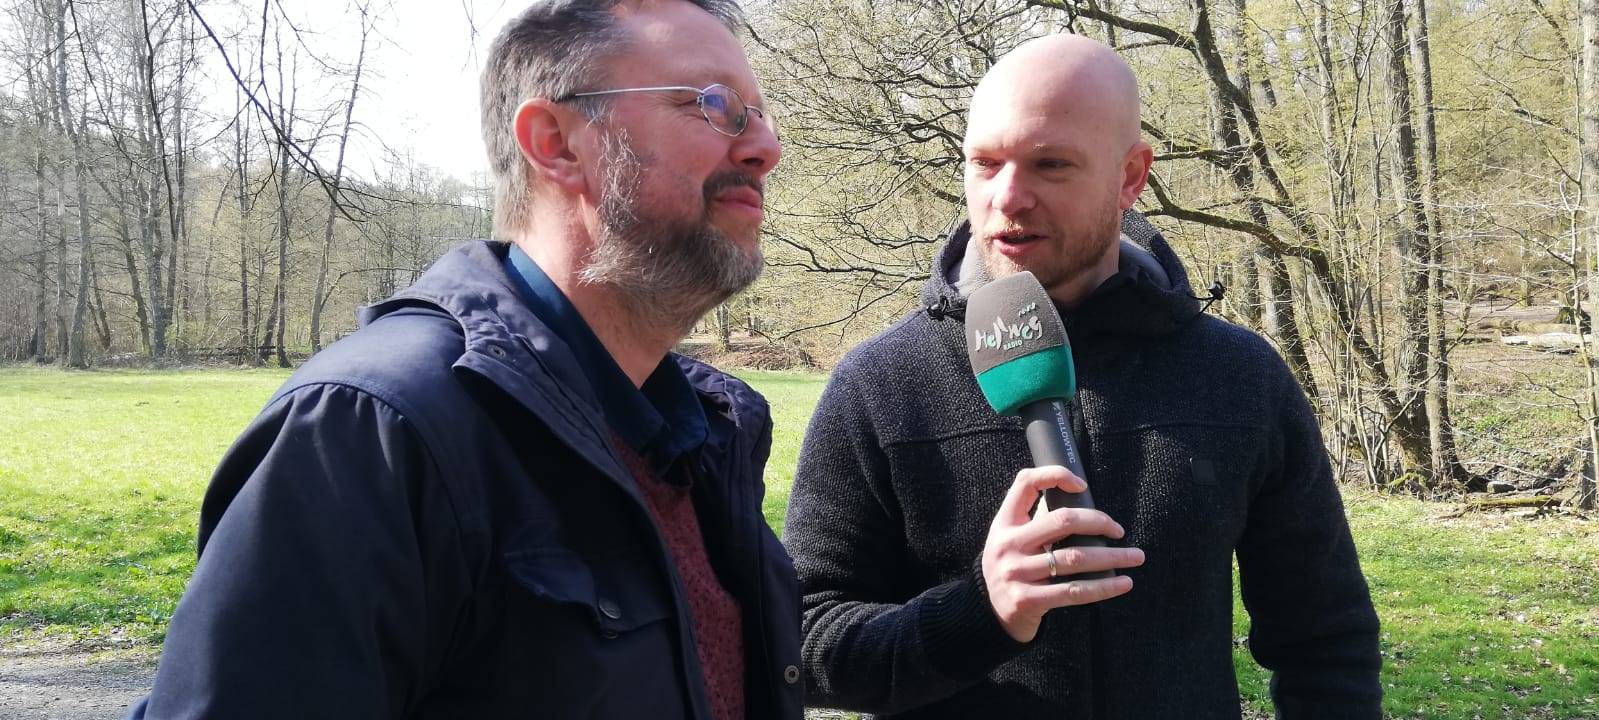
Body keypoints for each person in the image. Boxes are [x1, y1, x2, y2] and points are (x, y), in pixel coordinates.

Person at [128, 0, 800, 717]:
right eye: (715, 105)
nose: (766, 146)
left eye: (759, 114)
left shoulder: (706, 437)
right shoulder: (374, 431)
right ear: (556, 143)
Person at [783, 34, 1381, 718]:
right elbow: (802, 642)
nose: (1008, 197)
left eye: (1050, 164)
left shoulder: (1241, 377)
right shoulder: (879, 384)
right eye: (984, 164)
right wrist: (979, 613)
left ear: (1130, 176)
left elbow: (1325, 639)